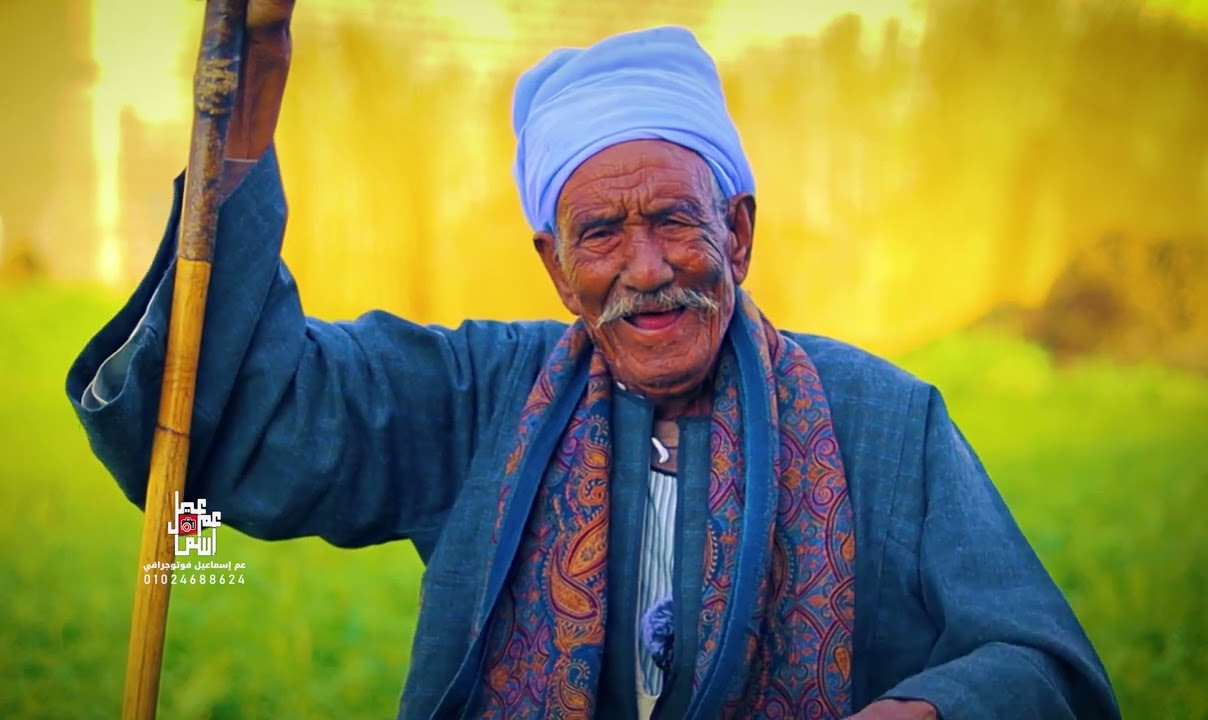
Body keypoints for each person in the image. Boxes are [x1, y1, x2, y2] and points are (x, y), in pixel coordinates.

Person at [66, 2, 1121, 719]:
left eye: (675, 219)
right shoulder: (478, 398)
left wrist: (923, 710)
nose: (648, 267)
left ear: (740, 232)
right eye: (601, 233)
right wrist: (248, 107)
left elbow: (1039, 666)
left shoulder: (883, 423)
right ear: (554, 267)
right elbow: (247, 413)